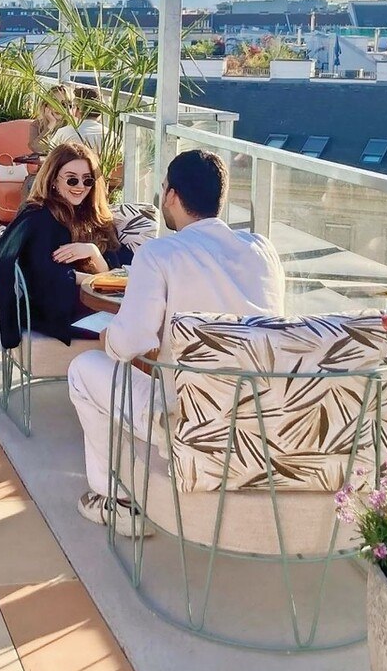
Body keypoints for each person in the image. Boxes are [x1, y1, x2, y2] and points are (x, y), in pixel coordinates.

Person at [67, 150, 286, 535]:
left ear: (172, 195)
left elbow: (128, 344)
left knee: (85, 369)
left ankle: (113, 499)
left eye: (164, 187)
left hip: (189, 419)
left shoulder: (160, 253)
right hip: (262, 418)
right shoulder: (263, 251)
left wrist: (110, 336)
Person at [0, 142, 133, 354]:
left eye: (87, 180)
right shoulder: (39, 217)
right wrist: (95, 279)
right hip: (58, 312)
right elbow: (45, 277)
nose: (80, 186)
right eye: (71, 178)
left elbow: (119, 270)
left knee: (145, 323)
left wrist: (92, 253)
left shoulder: (93, 217)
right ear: (53, 179)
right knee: (135, 331)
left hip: (96, 306)